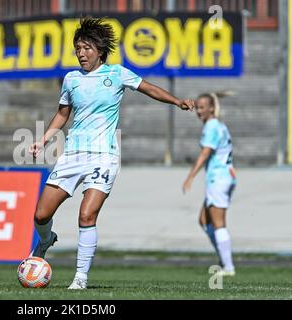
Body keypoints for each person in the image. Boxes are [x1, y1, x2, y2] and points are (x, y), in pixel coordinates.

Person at [29, 17, 195, 290]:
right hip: (72, 156)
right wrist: (44, 140)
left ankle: (80, 278)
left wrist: (177, 101)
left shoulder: (117, 74)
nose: (81, 53)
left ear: (99, 50)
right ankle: (46, 240)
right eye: (77, 49)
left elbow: (149, 88)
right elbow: (62, 114)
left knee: (86, 216)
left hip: (103, 157)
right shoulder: (71, 79)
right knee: (40, 215)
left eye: (86, 48)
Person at [182, 92, 237, 276]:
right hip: (225, 176)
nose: (198, 110)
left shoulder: (212, 126)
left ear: (212, 108)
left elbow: (206, 153)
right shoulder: (218, 125)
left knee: (218, 223)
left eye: (202, 107)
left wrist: (190, 176)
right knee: (204, 220)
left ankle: (228, 267)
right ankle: (224, 259)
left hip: (218, 178)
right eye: (197, 107)